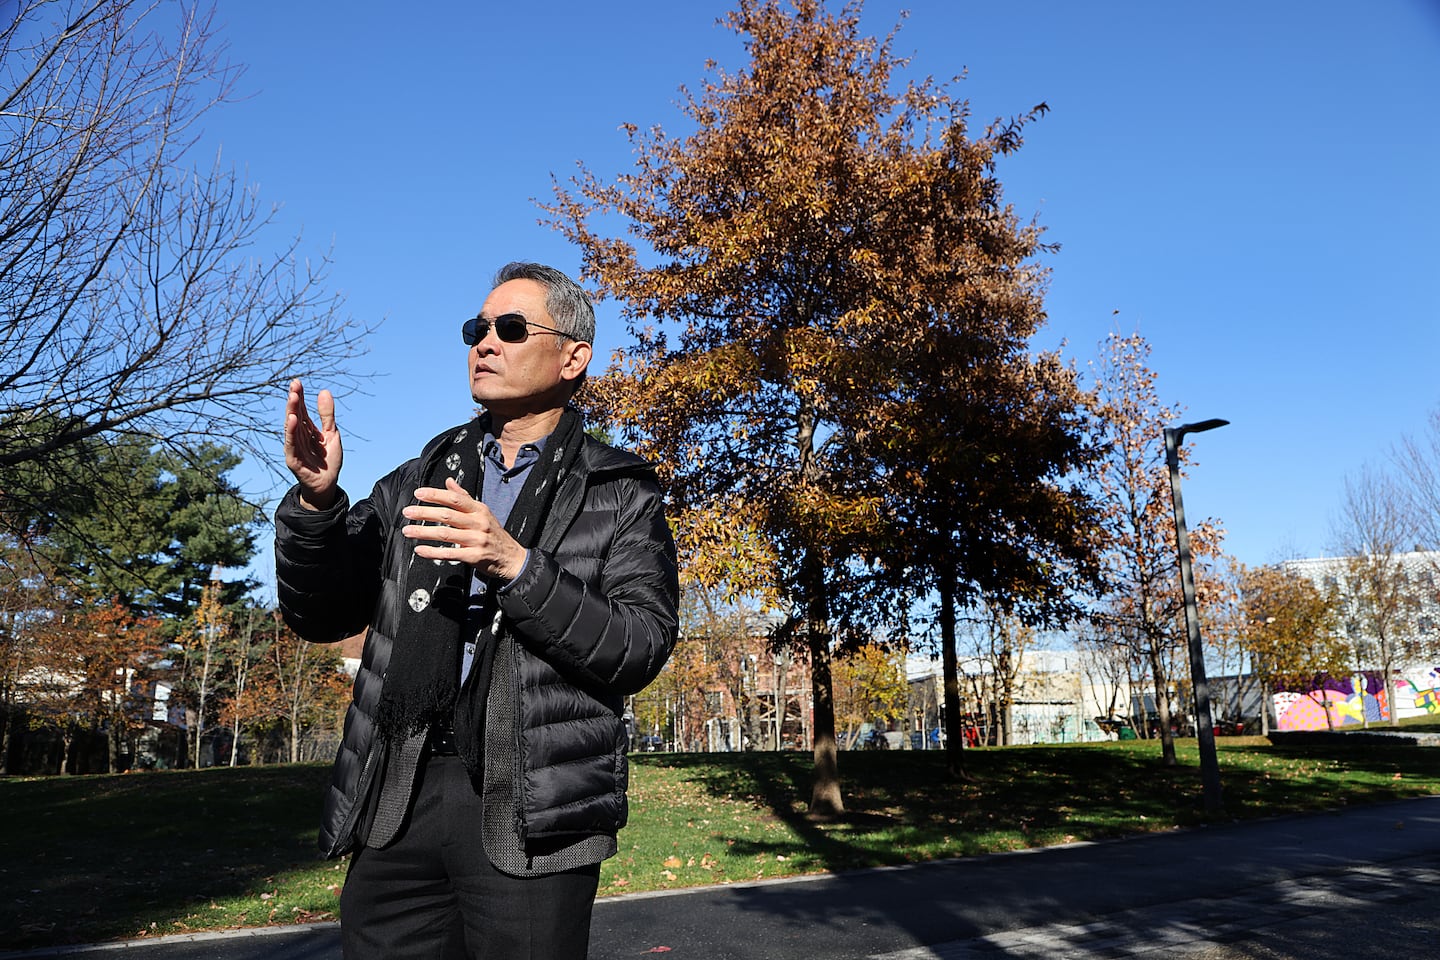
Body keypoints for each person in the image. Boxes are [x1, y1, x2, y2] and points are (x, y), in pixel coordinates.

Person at [275, 262, 679, 959]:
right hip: (395, 797)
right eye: (477, 328)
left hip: (528, 809)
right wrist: (317, 506)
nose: (485, 343)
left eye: (511, 328)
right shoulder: (419, 479)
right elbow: (322, 613)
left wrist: (517, 565)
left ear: (574, 356)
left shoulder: (619, 492)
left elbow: (638, 645)